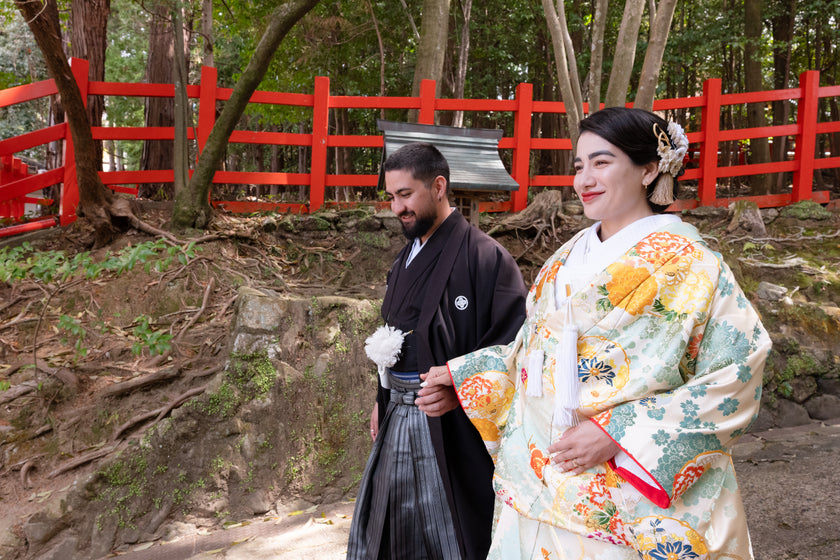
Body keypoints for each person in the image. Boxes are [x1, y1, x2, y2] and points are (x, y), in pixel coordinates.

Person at [423, 107, 772, 560]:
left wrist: (620, 431)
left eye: (602, 162)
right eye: (579, 165)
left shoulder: (694, 264)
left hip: (626, 483)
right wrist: (470, 379)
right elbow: (534, 351)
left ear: (649, 169)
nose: (584, 178)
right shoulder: (566, 258)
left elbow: (737, 371)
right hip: (543, 476)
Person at [347, 142, 528, 559]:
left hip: (450, 421)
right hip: (397, 411)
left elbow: (514, 343)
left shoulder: (486, 258)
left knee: (452, 531)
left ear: (439, 186)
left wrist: (461, 390)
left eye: (406, 195)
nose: (397, 208)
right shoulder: (403, 260)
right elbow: (393, 341)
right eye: (391, 197)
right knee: (387, 523)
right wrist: (382, 396)